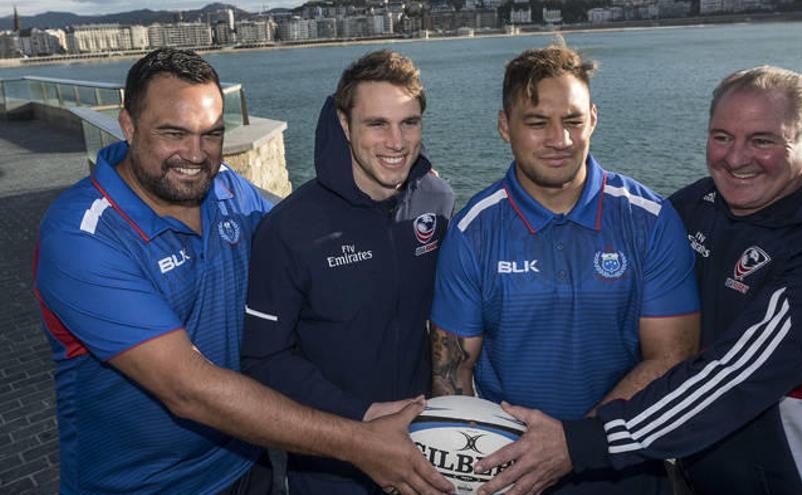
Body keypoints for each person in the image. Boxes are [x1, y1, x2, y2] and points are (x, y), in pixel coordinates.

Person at [33, 47, 453, 495]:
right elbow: (187, 389)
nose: (195, 154)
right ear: (128, 125)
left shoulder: (226, 190)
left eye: (211, 134)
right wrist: (360, 440)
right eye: (173, 133)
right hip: (141, 486)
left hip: (247, 466)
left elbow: (312, 230)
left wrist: (401, 209)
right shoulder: (83, 236)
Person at [474, 65, 802, 495]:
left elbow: (734, 375)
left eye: (762, 140)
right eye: (722, 137)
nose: (736, 158)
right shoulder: (697, 207)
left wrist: (581, 442)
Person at [429, 43, 701, 494]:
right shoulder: (473, 231)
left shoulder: (650, 219)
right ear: (504, 127)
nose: (560, 140)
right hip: (511, 473)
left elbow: (672, 356)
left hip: (626, 468)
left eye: (573, 121)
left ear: (593, 118)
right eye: (537, 123)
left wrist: (573, 445)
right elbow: (451, 372)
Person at [240, 49, 454, 494]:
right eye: (376, 123)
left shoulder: (437, 200)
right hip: (328, 465)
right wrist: (362, 414)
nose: (396, 142)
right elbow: (262, 359)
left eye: (409, 123)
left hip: (421, 448)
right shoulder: (288, 229)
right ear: (344, 124)